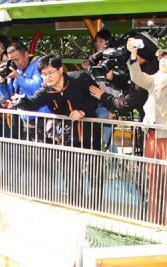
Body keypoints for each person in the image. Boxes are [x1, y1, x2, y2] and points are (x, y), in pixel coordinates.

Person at [14, 55, 102, 204]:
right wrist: (21, 101)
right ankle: (75, 202)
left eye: (51, 72)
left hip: (89, 131)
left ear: (60, 69)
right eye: (44, 74)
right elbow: (33, 103)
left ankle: (96, 202)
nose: (47, 77)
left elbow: (97, 96)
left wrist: (83, 111)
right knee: (70, 170)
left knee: (94, 169)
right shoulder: (45, 90)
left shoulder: (80, 78)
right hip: (66, 135)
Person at [128, 45, 167, 227]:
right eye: (161, 57)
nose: (163, 60)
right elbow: (137, 77)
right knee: (152, 179)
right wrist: (133, 56)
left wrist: (163, 88)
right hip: (152, 134)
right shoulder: (156, 79)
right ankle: (153, 221)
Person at [0, 40, 48, 141]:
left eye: (17, 59)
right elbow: (7, 96)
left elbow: (37, 87)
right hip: (24, 119)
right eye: (12, 60)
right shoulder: (16, 70)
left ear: (26, 54)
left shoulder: (39, 64)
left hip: (41, 118)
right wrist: (2, 81)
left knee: (43, 155)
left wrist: (18, 77)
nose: (15, 63)